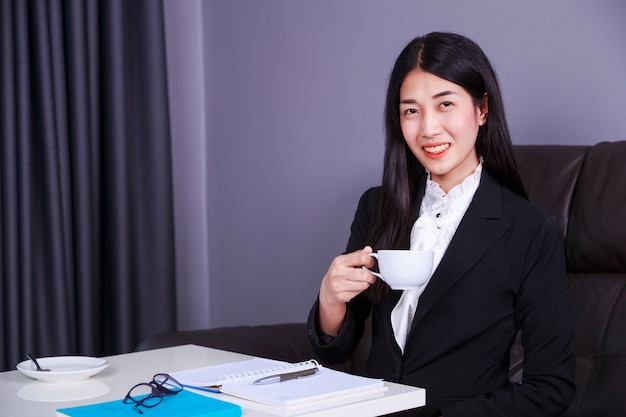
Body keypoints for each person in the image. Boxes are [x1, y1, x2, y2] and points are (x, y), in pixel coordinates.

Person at [307, 32, 576, 417]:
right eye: (411, 111)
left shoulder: (530, 232)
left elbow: (551, 389)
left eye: (445, 104)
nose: (428, 129)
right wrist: (330, 300)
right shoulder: (378, 207)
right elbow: (335, 349)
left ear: (482, 109)